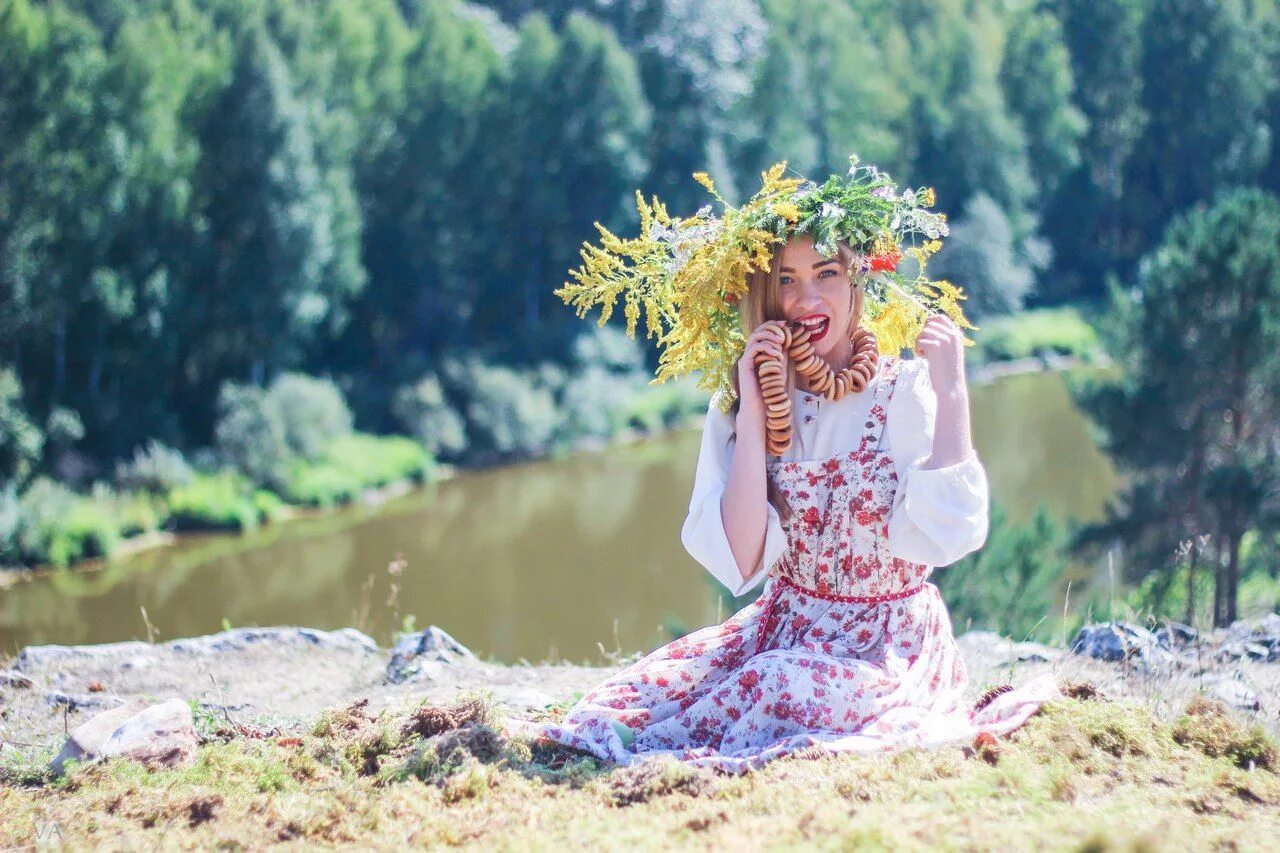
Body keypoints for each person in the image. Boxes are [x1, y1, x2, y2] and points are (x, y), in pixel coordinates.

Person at [501, 158, 1059, 774]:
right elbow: (742, 560)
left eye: (826, 274)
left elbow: (952, 537)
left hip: (886, 646)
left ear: (857, 284)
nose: (806, 298)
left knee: (776, 683)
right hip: (783, 628)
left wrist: (953, 391)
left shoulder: (903, 392)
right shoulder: (744, 401)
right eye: (787, 281)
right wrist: (751, 415)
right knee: (640, 696)